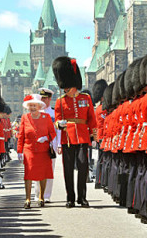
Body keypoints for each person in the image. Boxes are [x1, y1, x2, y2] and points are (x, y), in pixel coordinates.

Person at [53, 56, 97, 208]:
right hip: (67, 138)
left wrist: (94, 135)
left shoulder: (85, 98)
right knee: (68, 169)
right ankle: (70, 197)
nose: (65, 89)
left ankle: (82, 197)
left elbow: (92, 118)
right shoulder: (60, 101)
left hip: (83, 136)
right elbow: (57, 120)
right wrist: (59, 124)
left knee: (83, 166)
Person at [17, 94, 56, 209]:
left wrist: (46, 138)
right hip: (29, 149)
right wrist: (19, 151)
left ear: (39, 106)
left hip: (43, 151)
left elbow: (52, 133)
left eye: (34, 105)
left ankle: (41, 197)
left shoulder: (46, 117)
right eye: (30, 106)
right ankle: (28, 199)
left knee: (43, 174)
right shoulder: (25, 118)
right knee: (28, 174)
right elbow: (21, 135)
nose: (32, 108)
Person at [34, 87, 61, 203]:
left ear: (50, 99)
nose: (43, 100)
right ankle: (37, 194)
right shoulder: (36, 113)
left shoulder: (54, 113)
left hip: (51, 145)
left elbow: (59, 130)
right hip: (38, 145)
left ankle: (47, 195)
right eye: (42, 98)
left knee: (49, 170)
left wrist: (59, 144)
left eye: (46, 98)